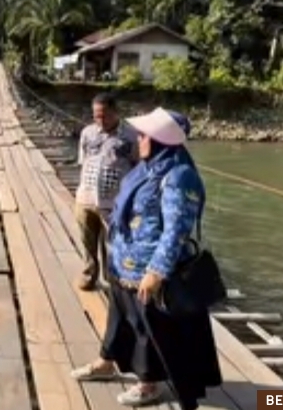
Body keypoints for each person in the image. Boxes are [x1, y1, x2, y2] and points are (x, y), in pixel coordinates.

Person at [70, 107, 222, 409]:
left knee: (148, 330)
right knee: (120, 322)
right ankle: (106, 361)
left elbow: (177, 229)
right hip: (123, 263)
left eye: (144, 135)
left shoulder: (179, 176)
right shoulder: (146, 168)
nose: (138, 139)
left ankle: (148, 383)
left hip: (147, 270)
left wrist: (156, 271)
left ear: (159, 140)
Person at [74, 93, 137, 291]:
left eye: (104, 115)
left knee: (113, 243)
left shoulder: (131, 135)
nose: (100, 120)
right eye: (96, 116)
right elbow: (83, 162)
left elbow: (138, 166)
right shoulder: (87, 133)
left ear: (115, 112)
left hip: (114, 202)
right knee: (87, 240)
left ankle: (113, 280)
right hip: (86, 197)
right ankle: (89, 274)